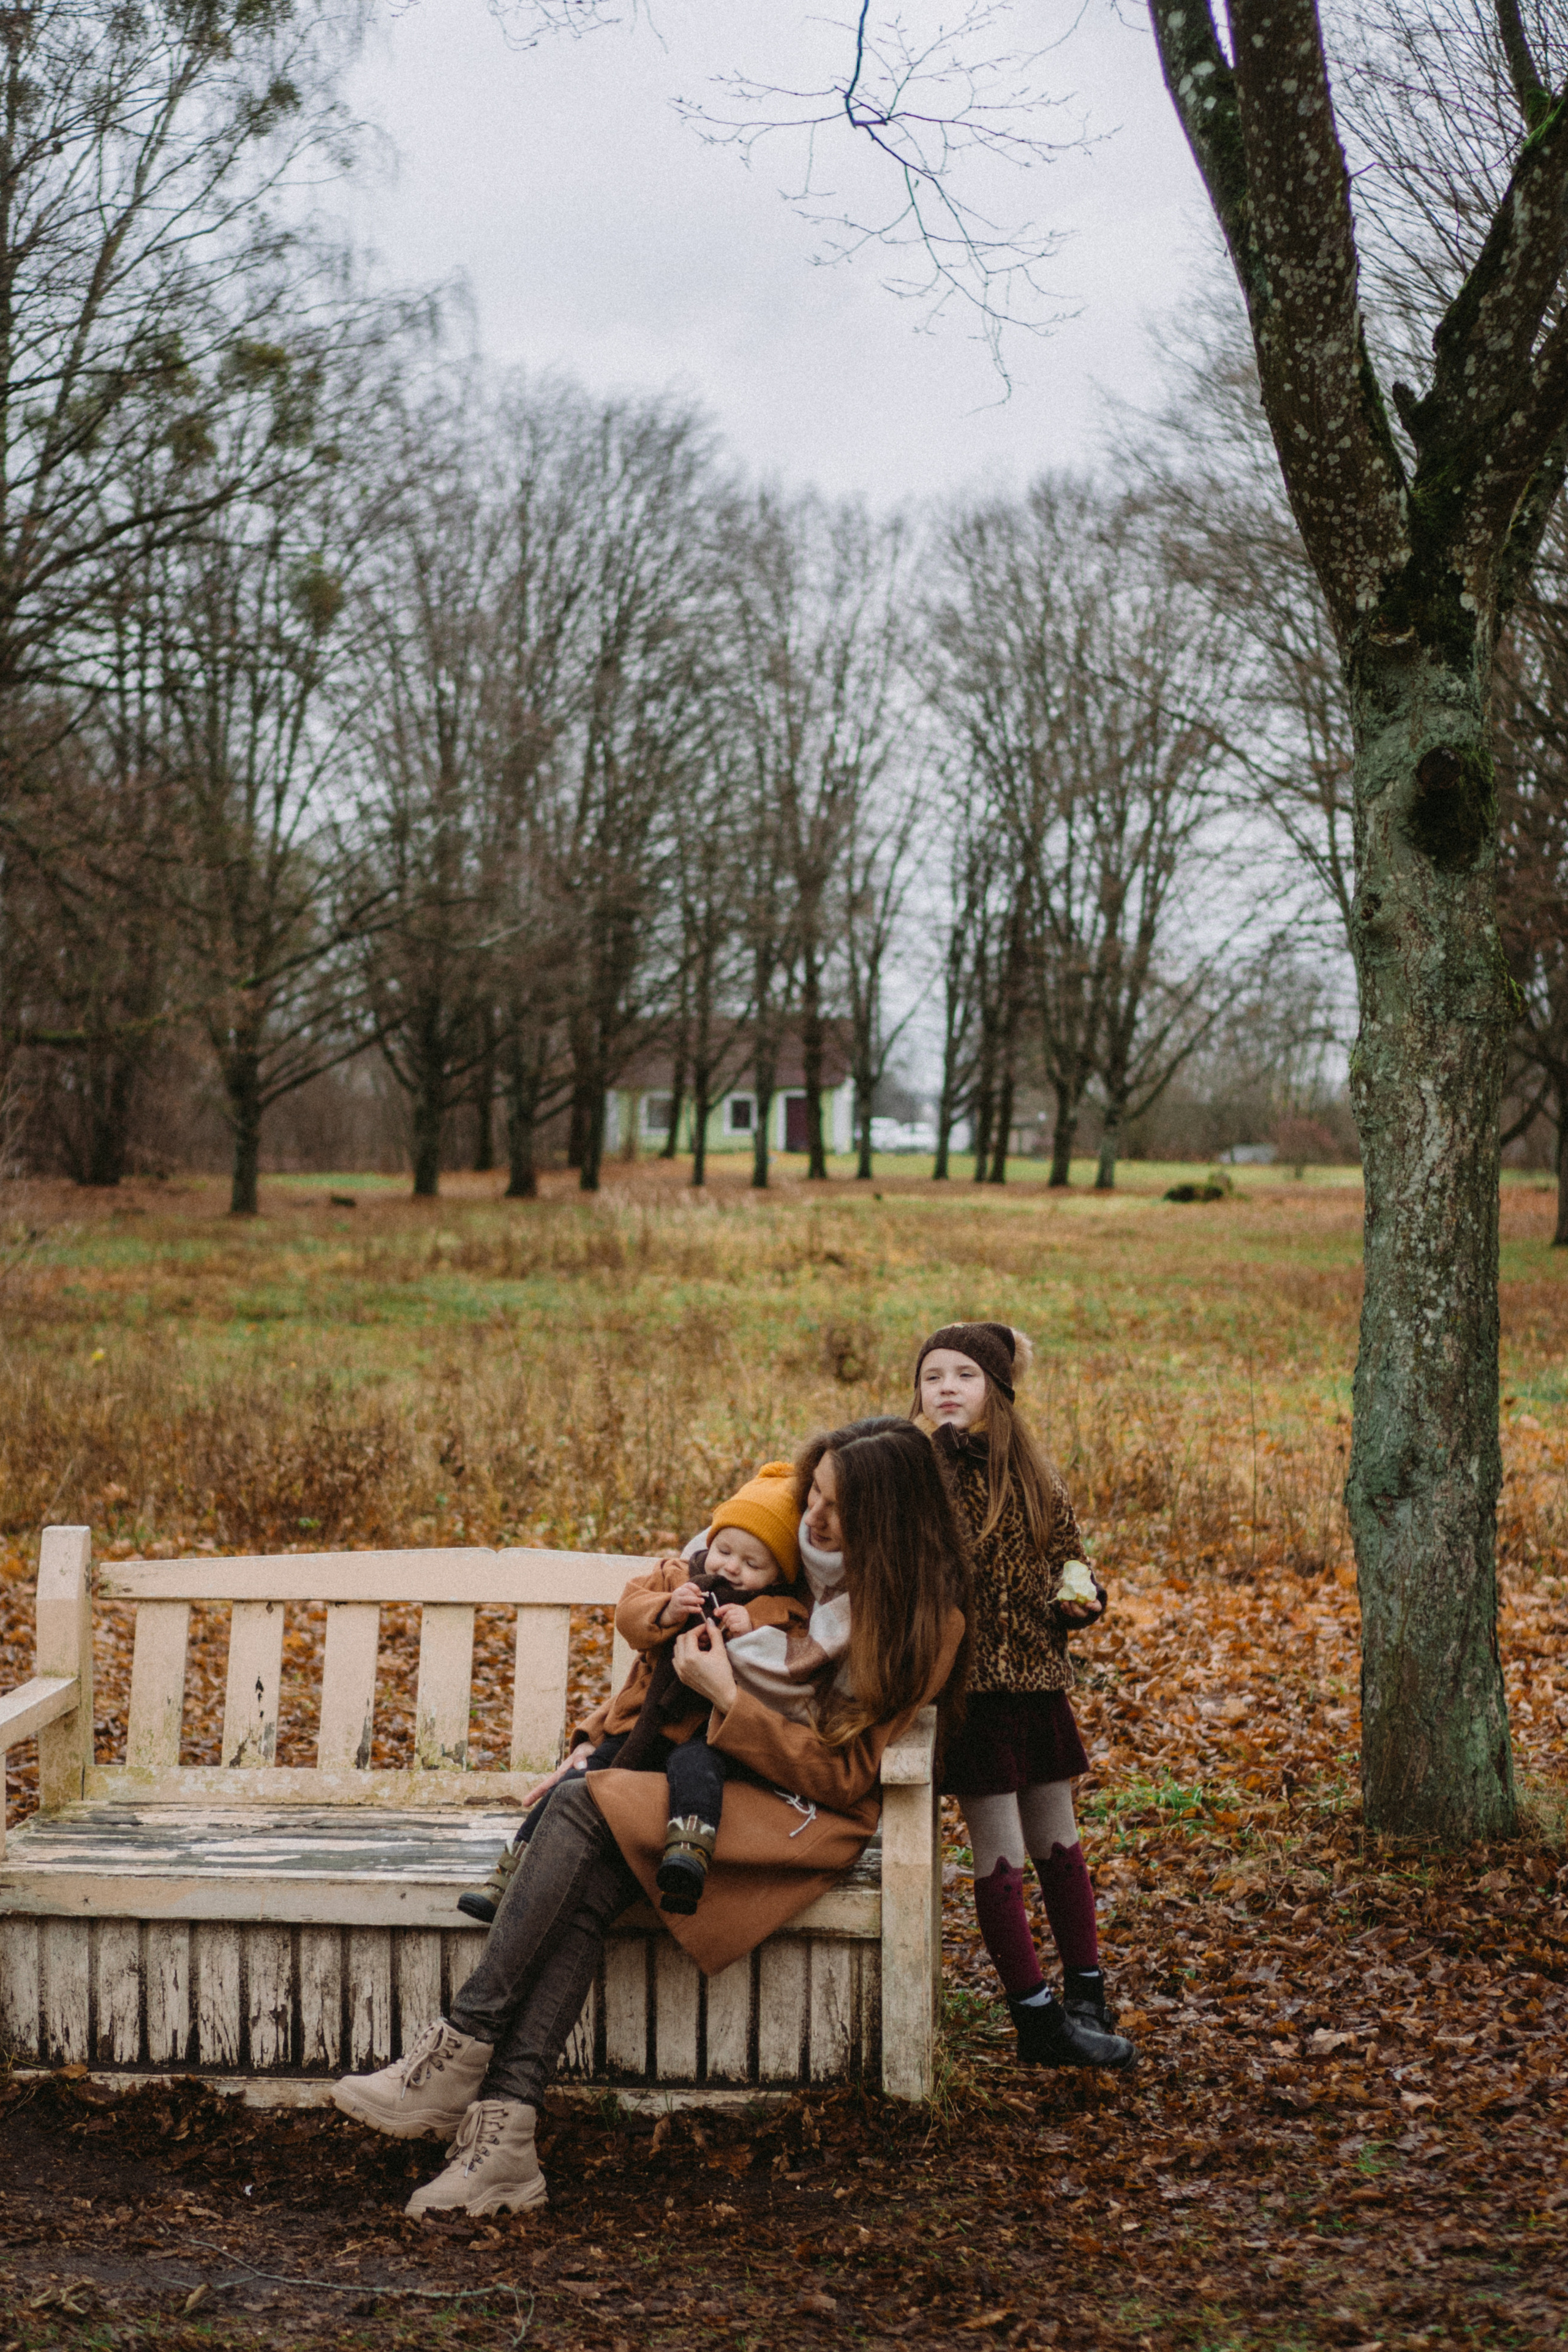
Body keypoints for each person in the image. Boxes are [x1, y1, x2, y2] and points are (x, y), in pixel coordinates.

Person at [332, 1418, 968, 2218]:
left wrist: (729, 1698)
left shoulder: (921, 1619)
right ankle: (505, 2141)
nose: (814, 1517)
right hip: (698, 1777)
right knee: (588, 1843)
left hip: (795, 1814)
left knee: (581, 1812)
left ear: (887, 1522)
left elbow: (843, 1775)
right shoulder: (778, 1556)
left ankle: (461, 2048)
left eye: (837, 1507)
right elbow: (656, 1661)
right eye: (815, 1491)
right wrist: (593, 1741)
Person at [914, 1320, 1136, 2072]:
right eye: (933, 1376)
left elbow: (1070, 1565)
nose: (946, 1387)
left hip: (1036, 1688)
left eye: (964, 1376)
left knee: (1060, 1843)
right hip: (967, 1698)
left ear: (998, 1392)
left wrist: (1083, 1599)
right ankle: (1036, 2019)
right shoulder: (912, 1475)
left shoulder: (1036, 1480)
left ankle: (1086, 1992)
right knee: (999, 1852)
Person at [459, 1463, 813, 1921]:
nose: (732, 1567)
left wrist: (755, 1625)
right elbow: (629, 1615)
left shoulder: (777, 1604)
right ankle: (512, 1871)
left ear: (779, 1572)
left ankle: (687, 1858)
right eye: (725, 1550)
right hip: (640, 1724)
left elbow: (794, 1637)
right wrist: (667, 1610)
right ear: (712, 1540)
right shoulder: (675, 1575)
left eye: (753, 1564)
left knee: (699, 1771)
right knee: (582, 1779)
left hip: (707, 1732)